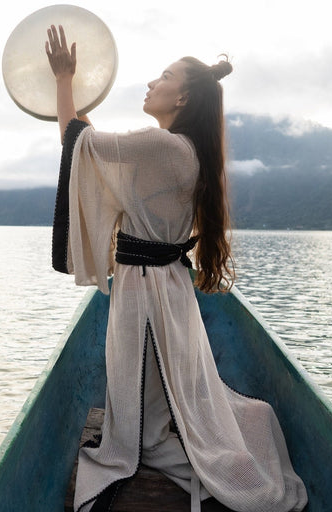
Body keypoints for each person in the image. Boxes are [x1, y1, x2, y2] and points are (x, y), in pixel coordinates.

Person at [46, 24, 307, 512]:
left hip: (145, 292)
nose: (151, 83)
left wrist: (63, 80)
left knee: (137, 438)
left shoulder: (161, 147)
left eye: (163, 77)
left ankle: (166, 443)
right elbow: (94, 146)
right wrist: (78, 94)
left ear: (183, 97)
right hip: (162, 286)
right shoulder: (181, 150)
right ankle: (161, 424)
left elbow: (77, 141)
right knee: (150, 394)